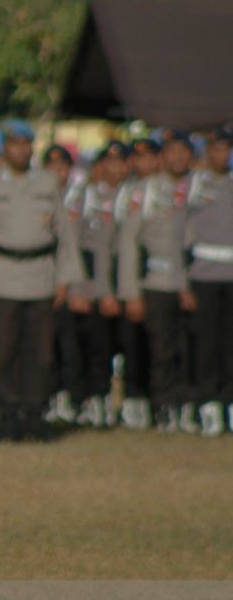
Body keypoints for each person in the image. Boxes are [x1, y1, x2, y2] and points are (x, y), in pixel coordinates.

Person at [0, 119, 83, 441]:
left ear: (31, 148)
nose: (20, 150)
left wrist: (64, 279)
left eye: (25, 144)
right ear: (5, 148)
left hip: (40, 276)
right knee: (4, 351)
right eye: (14, 144)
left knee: (40, 352)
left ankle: (34, 413)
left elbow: (63, 234)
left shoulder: (46, 183)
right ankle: (8, 414)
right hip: (2, 277)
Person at [117, 133, 196, 431]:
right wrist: (130, 291)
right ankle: (163, 405)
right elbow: (128, 240)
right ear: (163, 156)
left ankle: (187, 405)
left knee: (189, 346)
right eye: (172, 152)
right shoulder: (147, 190)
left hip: (192, 281)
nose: (177, 158)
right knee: (161, 348)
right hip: (157, 281)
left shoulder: (197, 187)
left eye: (183, 152)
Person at [72, 142, 130, 428]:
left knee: (128, 343)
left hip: (129, 274)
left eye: (121, 162)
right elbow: (80, 245)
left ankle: (131, 404)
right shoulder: (87, 196)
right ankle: (96, 400)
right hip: (95, 276)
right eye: (109, 162)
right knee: (97, 342)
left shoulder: (134, 194)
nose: (115, 168)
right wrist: (84, 287)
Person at [186, 128, 233, 437]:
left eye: (227, 149)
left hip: (232, 275)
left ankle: (229, 402)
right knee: (205, 344)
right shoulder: (194, 185)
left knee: (230, 344)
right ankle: (207, 404)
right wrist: (183, 282)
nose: (222, 155)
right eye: (217, 149)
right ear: (207, 152)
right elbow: (181, 232)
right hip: (202, 274)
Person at [114, 138, 161, 428]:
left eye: (149, 157)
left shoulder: (167, 189)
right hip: (134, 279)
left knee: (160, 345)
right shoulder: (129, 193)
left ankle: (158, 401)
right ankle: (134, 400)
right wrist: (129, 290)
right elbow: (126, 245)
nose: (143, 163)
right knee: (132, 343)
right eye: (138, 158)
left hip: (161, 278)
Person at [43, 144, 86, 424]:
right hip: (43, 281)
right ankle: (51, 396)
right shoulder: (39, 197)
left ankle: (73, 399)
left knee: (72, 346)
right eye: (53, 167)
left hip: (74, 283)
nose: (59, 173)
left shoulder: (81, 196)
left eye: (63, 167)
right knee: (46, 347)